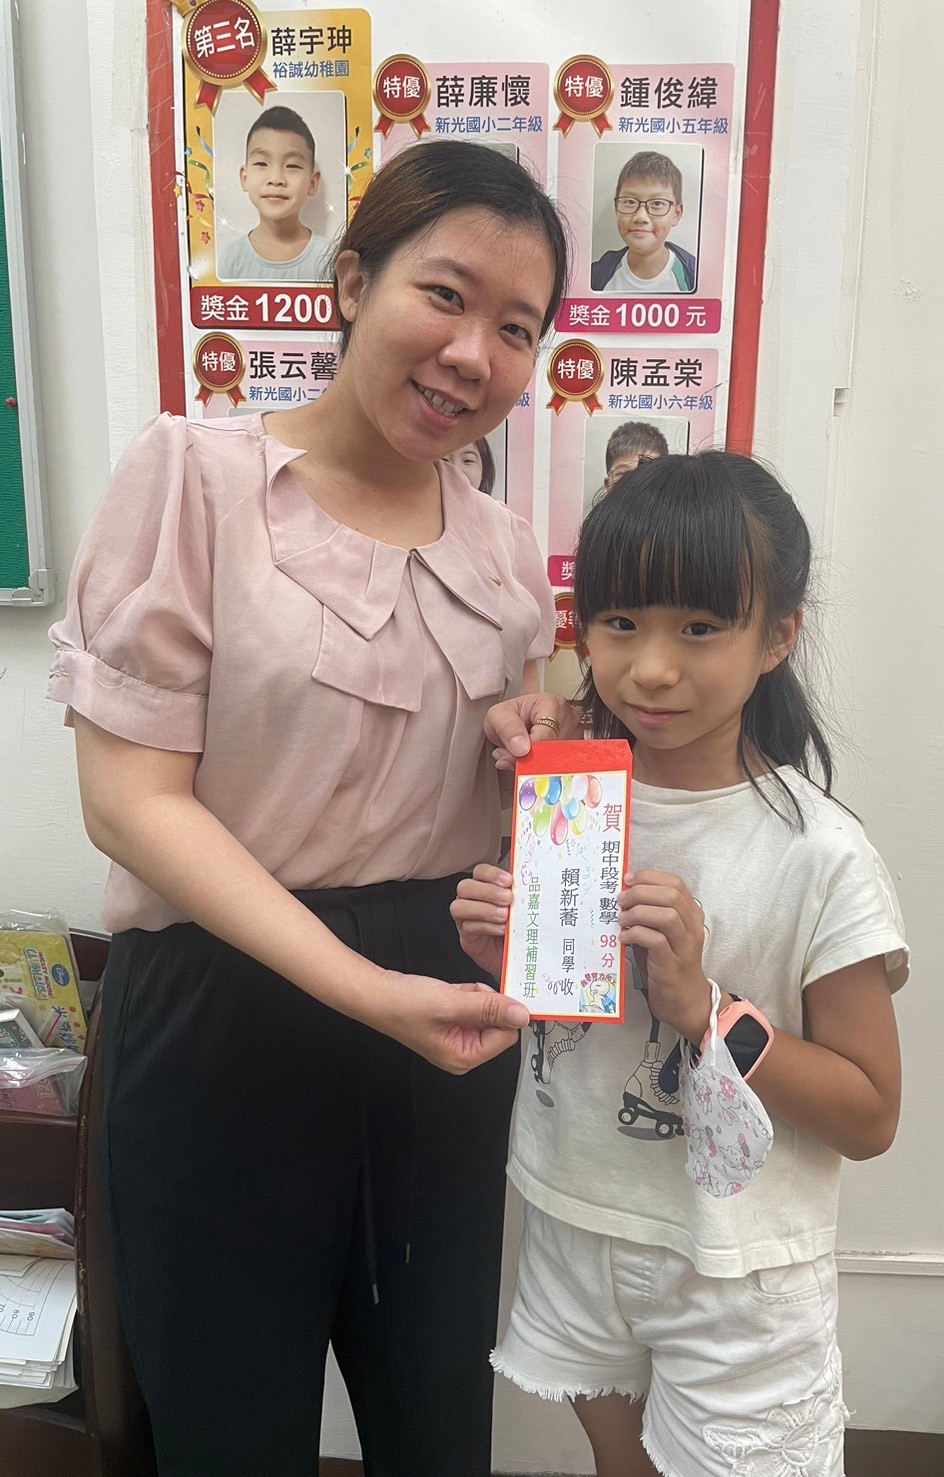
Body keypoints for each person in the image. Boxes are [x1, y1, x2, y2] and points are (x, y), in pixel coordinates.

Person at [47, 139, 573, 1477]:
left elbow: (498, 809)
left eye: (517, 328)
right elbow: (131, 805)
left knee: (436, 1428)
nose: (473, 354)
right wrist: (361, 986)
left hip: (439, 1023)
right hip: (224, 1014)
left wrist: (528, 763)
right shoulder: (192, 479)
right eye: (444, 295)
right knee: (229, 1435)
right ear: (350, 284)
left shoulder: (505, 550)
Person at [453, 452, 908, 1477]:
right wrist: (508, 958)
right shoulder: (564, 799)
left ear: (777, 637)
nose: (652, 668)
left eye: (700, 628)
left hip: (737, 1268)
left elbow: (870, 1113)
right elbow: (567, 1024)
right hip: (576, 1219)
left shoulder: (821, 854)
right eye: (620, 622)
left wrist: (707, 1010)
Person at [219, 105, 334, 281]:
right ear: (245, 178)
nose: (276, 178)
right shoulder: (230, 261)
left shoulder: (329, 258)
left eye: (292, 166)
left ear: (312, 183)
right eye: (261, 164)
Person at [591, 151, 697, 294]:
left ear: (676, 214)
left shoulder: (694, 277)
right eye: (629, 202)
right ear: (616, 208)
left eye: (657, 203)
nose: (641, 217)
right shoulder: (596, 276)